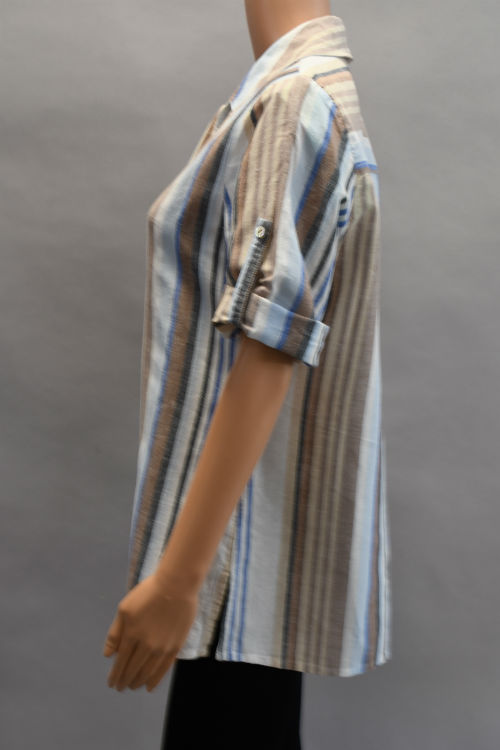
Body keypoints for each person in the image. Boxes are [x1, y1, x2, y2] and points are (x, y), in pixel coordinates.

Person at [103, 1, 392, 747]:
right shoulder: (294, 92)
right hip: (239, 558)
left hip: (232, 564)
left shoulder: (295, 101)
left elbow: (274, 343)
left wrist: (179, 583)